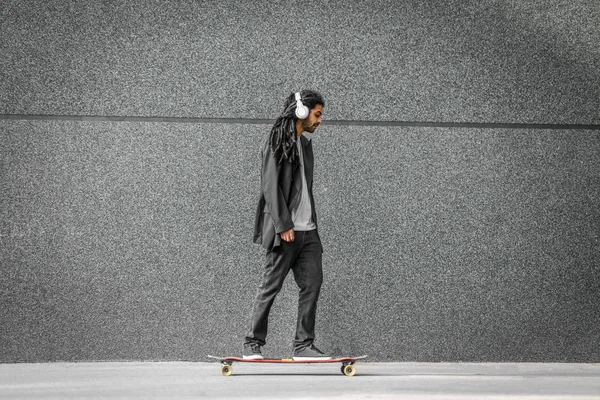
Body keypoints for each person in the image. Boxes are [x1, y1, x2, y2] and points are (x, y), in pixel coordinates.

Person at [243, 90, 330, 361]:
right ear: (301, 112)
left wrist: (310, 225)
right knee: (271, 286)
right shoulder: (276, 141)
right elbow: (270, 186)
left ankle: (303, 345)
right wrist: (282, 224)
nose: (320, 121)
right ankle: (252, 343)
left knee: (312, 285)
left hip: (309, 232)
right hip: (286, 232)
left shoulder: (304, 145)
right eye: (317, 114)